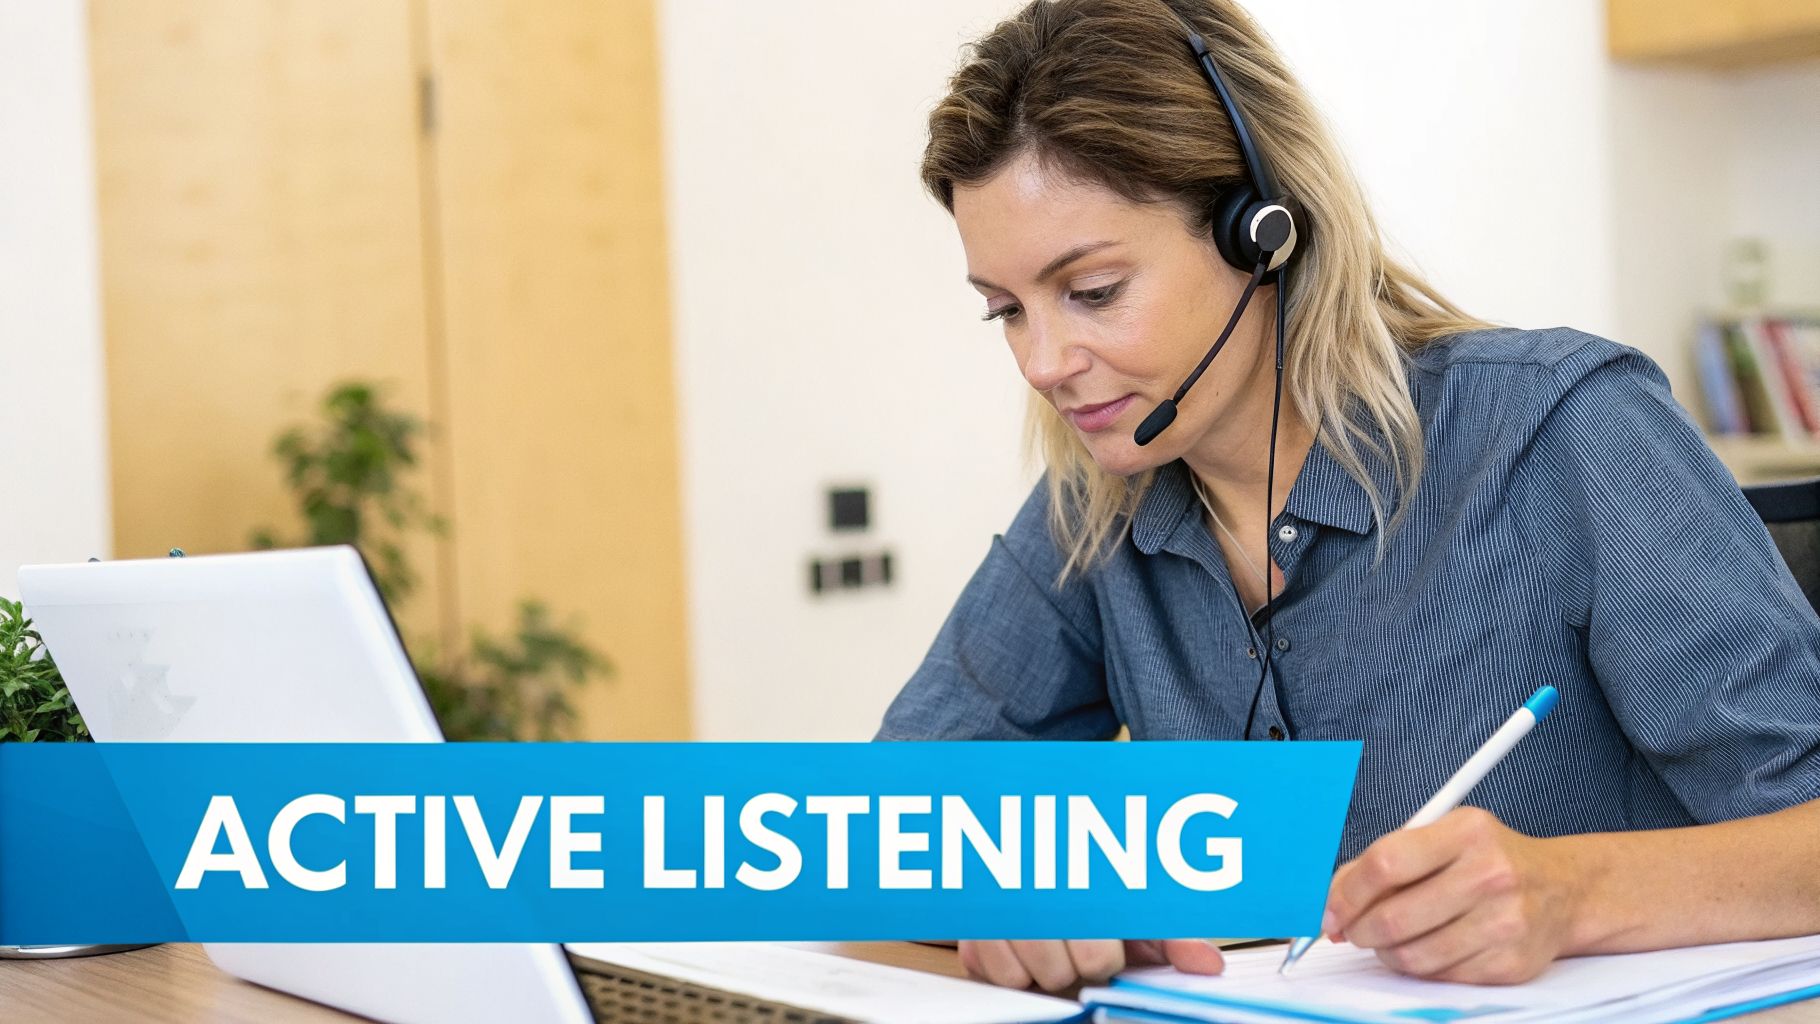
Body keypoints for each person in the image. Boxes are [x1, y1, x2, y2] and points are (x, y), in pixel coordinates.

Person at [874, 0, 1820, 994]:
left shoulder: (1558, 429)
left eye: (1095, 291)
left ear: (1259, 233)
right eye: (1006, 311)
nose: (1042, 362)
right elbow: (881, 826)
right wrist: (1014, 883)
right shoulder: (1094, 507)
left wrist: (1571, 891)